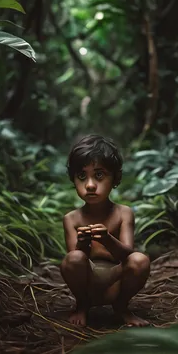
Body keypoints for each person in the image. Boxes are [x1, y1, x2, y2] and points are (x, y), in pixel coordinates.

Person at [60, 134, 151, 327]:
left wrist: (107, 239)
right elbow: (74, 261)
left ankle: (121, 307)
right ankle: (82, 305)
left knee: (140, 260)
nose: (90, 185)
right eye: (82, 176)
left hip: (116, 283)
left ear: (115, 178)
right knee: (74, 258)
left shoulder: (123, 213)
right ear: (73, 179)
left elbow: (127, 253)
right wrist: (83, 243)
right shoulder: (71, 219)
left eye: (99, 175)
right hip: (88, 284)